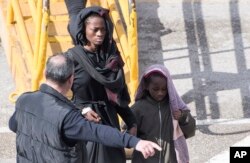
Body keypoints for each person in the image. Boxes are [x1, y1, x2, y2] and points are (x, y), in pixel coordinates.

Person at [8, 53, 161, 163]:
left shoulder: (24, 100)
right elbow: (98, 132)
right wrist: (136, 142)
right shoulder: (66, 116)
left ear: (45, 73)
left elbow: (13, 125)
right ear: (71, 79)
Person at [64, 5, 138, 163]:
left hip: (109, 122)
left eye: (103, 29)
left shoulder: (112, 57)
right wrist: (83, 109)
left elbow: (116, 95)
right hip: (84, 124)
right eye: (95, 29)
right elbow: (58, 95)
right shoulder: (72, 57)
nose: (100, 34)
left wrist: (131, 121)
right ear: (84, 29)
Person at [131, 64, 190, 163]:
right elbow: (126, 132)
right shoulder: (138, 108)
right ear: (146, 86)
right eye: (155, 89)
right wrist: (131, 131)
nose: (160, 93)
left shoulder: (173, 107)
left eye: (164, 89)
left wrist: (182, 117)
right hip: (144, 160)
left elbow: (190, 130)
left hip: (169, 159)